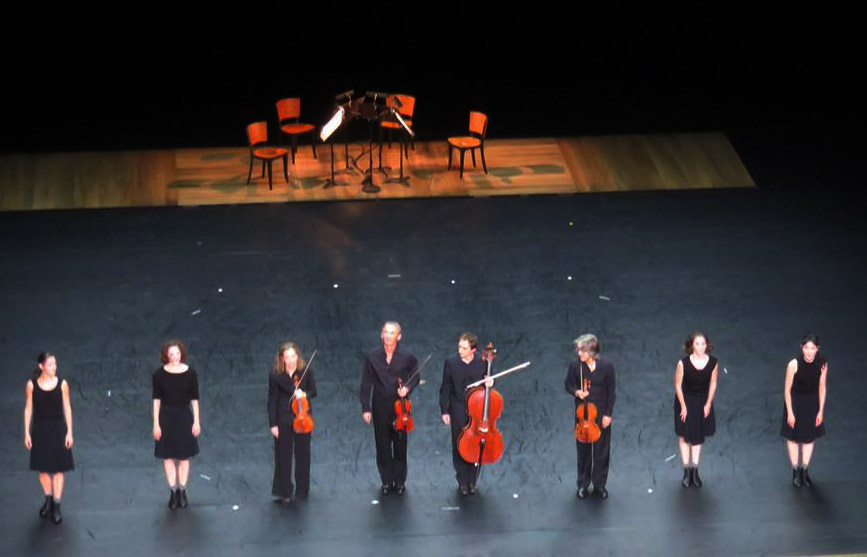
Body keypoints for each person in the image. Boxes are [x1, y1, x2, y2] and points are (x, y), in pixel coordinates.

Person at [360, 321, 418, 495]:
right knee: (382, 445)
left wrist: (406, 388)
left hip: (401, 406)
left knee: (400, 444)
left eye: (392, 333)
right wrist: (366, 408)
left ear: (399, 336)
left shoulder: (408, 356)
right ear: (381, 335)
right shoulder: (372, 356)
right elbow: (366, 383)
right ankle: (386, 480)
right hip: (380, 405)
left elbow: (415, 376)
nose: (388, 335)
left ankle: (400, 481)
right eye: (385, 332)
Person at [23, 352, 74, 524]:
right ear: (41, 366)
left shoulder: (62, 384)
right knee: (43, 470)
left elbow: (67, 408)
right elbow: (28, 408)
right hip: (40, 429)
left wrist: (69, 432)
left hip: (58, 429)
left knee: (59, 469)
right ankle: (49, 499)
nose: (55, 367)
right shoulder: (31, 385)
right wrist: (27, 432)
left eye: (55, 364)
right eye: (51, 364)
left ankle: (57, 506)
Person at [564, 334, 616, 499]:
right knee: (584, 452)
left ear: (592, 351)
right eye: (579, 350)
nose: (579, 353)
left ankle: (599, 484)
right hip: (583, 415)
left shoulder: (606, 366)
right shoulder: (575, 366)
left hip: (600, 414)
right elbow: (568, 384)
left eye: (583, 350)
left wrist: (608, 414)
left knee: (601, 451)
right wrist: (576, 392)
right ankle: (583, 484)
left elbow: (611, 392)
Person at [152, 340, 200, 510]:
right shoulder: (158, 375)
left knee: (184, 457)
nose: (175, 357)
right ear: (166, 356)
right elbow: (156, 402)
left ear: (182, 354)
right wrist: (156, 424)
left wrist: (196, 421)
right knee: (168, 457)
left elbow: (194, 400)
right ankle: (173, 491)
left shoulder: (191, 374)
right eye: (171, 354)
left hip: (184, 417)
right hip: (166, 417)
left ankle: (182, 490)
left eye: (177, 353)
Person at [439, 333, 488, 495]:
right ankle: (462, 481)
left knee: (476, 444)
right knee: (459, 443)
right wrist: (444, 410)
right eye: (459, 347)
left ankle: (473, 480)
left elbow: (488, 385)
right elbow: (445, 387)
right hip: (458, 407)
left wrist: (491, 383)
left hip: (478, 409)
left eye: (464, 348)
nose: (460, 350)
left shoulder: (483, 361)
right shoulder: (451, 362)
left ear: (473, 350)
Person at [268, 342, 317, 502]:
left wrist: (304, 394)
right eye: (287, 357)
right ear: (281, 358)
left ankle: (303, 490)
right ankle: (285, 492)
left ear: (298, 356)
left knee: (303, 455)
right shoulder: (276, 376)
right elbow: (272, 400)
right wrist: (273, 424)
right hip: (283, 418)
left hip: (302, 417)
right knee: (283, 456)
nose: (291, 360)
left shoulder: (306, 372)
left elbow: (313, 391)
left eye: (293, 356)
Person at [781, 333, 828, 488]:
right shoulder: (793, 364)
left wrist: (820, 410)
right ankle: (795, 470)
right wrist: (790, 412)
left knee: (809, 438)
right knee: (793, 438)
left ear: (817, 349)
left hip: (811, 402)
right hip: (795, 401)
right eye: (806, 348)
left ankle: (805, 470)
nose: (809, 351)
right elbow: (787, 390)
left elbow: (822, 387)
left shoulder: (822, 364)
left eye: (812, 348)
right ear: (802, 348)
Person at [674, 332, 719, 488]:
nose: (701, 347)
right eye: (697, 344)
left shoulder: (713, 362)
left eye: (703, 344)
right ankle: (686, 470)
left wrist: (708, 403)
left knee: (698, 436)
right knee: (684, 435)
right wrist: (683, 406)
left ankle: (695, 471)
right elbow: (678, 385)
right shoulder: (683, 363)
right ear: (692, 345)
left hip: (702, 400)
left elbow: (713, 383)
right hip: (685, 400)